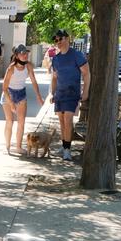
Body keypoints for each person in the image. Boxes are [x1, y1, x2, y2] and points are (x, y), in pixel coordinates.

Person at [49, 29, 90, 160]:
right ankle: (64, 145)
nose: (58, 42)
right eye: (55, 40)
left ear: (67, 39)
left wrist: (85, 91)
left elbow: (86, 74)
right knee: (61, 121)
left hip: (72, 93)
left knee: (68, 120)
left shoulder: (77, 55)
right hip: (60, 94)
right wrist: (52, 93)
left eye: (60, 39)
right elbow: (54, 78)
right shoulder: (56, 58)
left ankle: (67, 150)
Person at [0, 44, 44, 155]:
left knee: (21, 122)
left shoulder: (28, 66)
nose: (25, 55)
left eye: (26, 53)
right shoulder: (11, 68)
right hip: (8, 94)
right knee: (10, 121)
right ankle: (8, 145)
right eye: (22, 53)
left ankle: (18, 147)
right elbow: (4, 88)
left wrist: (38, 96)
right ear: (16, 55)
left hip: (21, 94)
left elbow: (34, 82)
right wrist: (10, 103)